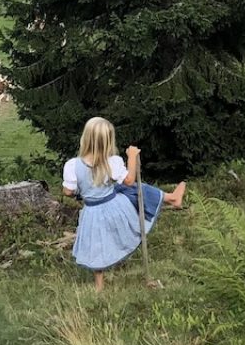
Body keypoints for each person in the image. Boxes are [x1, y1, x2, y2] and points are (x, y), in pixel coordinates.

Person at [62, 117, 186, 291]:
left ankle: (99, 286)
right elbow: (129, 180)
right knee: (134, 189)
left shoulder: (72, 165)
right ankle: (171, 198)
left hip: (92, 210)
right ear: (108, 140)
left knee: (96, 244)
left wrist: (80, 191)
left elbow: (68, 191)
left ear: (86, 138)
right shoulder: (112, 162)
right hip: (113, 206)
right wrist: (132, 157)